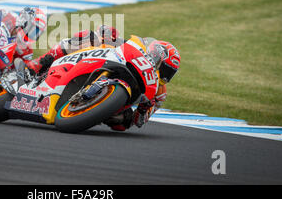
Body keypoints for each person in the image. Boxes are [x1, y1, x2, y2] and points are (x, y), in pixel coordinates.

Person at [26, 25, 180, 131]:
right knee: (87, 36)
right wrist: (107, 34)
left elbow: (138, 121)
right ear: (154, 54)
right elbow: (108, 35)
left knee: (122, 123)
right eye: (164, 68)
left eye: (168, 73)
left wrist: (145, 109)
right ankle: (38, 63)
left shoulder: (159, 93)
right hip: (99, 62)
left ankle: (88, 109)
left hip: (119, 102)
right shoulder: (135, 48)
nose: (164, 75)